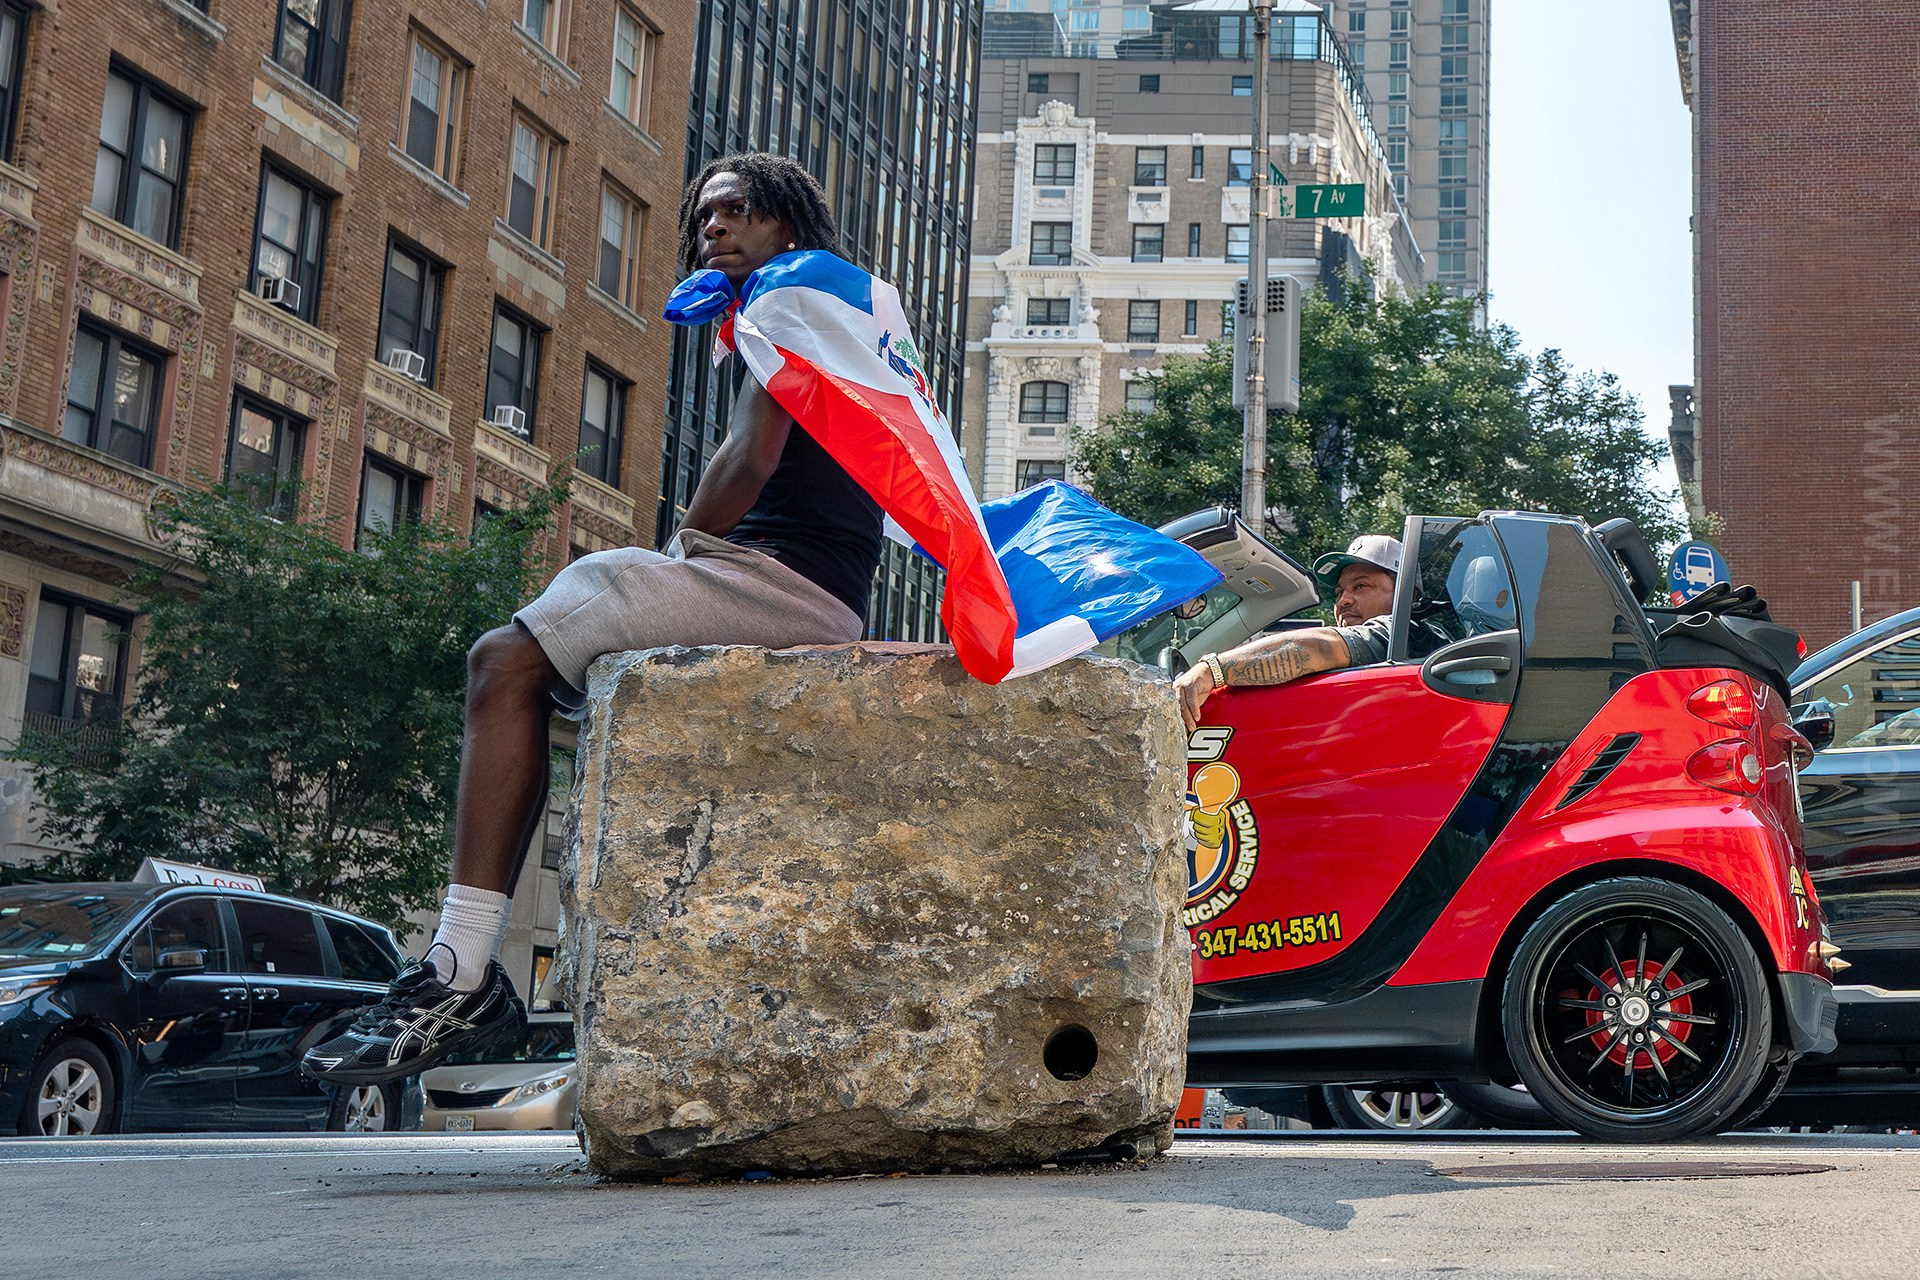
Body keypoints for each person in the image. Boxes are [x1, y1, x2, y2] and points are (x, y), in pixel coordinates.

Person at [302, 154, 884, 1087]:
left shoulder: (792, 303)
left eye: (734, 211)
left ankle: (457, 968)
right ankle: (474, 942)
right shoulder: (841, 312)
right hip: (814, 585)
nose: (713, 231)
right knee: (535, 668)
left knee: (502, 662)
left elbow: (748, 458)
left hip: (775, 582)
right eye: (702, 220)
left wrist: (685, 545)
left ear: (786, 223)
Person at [1175, 533, 1401, 733]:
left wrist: (1210, 671)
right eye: (1340, 592)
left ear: (1406, 595)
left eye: (1360, 586)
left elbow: (1318, 648)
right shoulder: (1382, 652)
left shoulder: (1401, 631)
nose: (1343, 601)